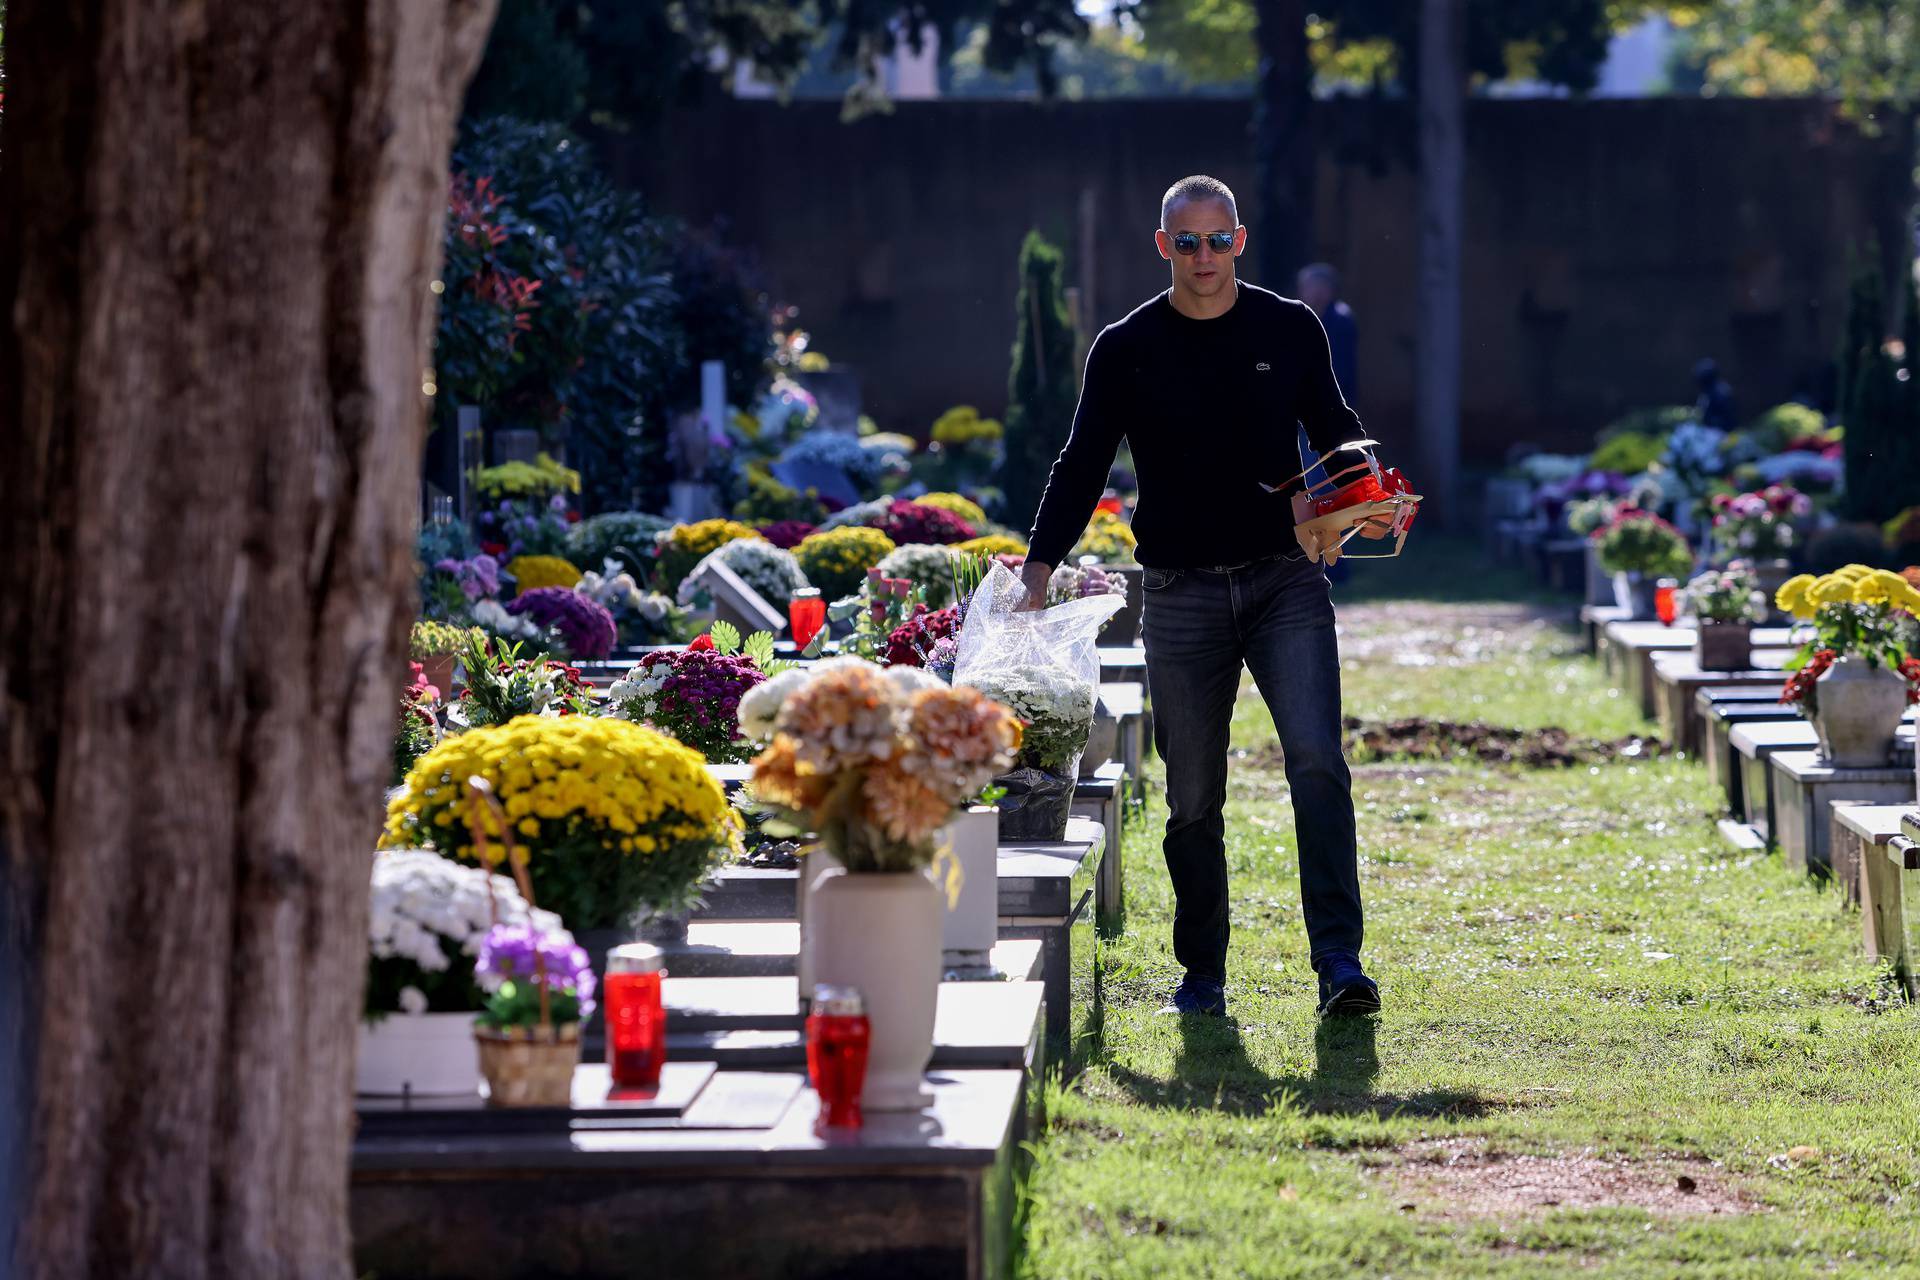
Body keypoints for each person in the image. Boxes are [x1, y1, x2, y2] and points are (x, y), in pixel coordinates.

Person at [1020, 174, 1388, 1020]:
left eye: (1218, 240)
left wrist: (1365, 488)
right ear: (1163, 249)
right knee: (1193, 795)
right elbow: (1082, 463)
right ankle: (1203, 974)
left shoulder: (1292, 329)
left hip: (1284, 580)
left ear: (1240, 242)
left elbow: (1333, 425)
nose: (1204, 257)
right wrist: (1039, 568)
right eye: (1186, 242)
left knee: (1317, 763)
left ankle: (1339, 962)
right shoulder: (1125, 346)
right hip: (1181, 595)